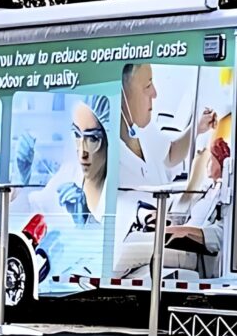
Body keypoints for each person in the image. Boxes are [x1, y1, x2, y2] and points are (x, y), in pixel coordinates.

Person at [119, 63, 217, 191]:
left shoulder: (144, 129)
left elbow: (171, 153)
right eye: (147, 86)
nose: (154, 93)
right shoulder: (110, 157)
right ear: (123, 96)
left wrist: (197, 127)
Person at [26, 94, 110, 226]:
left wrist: (88, 222)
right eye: (77, 134)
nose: (83, 153)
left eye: (93, 138)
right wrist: (20, 181)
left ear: (109, 139)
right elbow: (32, 208)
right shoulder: (68, 174)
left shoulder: (118, 187)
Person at [164, 137, 229, 253]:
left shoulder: (224, 195)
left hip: (190, 246)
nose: (207, 164)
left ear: (221, 163)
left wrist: (176, 231)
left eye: (211, 159)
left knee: (138, 250)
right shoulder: (208, 190)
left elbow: (218, 234)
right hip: (180, 237)